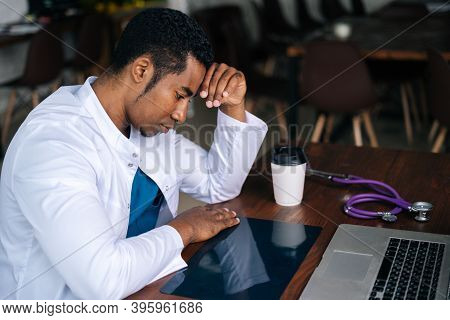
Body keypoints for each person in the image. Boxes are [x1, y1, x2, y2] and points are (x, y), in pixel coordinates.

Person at [0, 8, 268, 299]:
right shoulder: (53, 144)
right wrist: (185, 229)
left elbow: (219, 185)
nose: (182, 115)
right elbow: (103, 280)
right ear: (141, 70)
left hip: (147, 288)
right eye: (180, 95)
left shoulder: (147, 127)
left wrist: (232, 106)